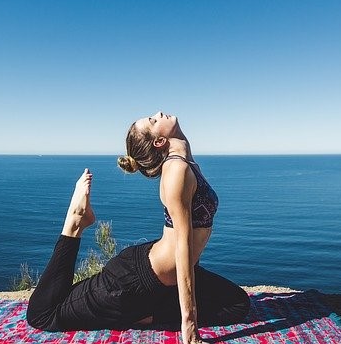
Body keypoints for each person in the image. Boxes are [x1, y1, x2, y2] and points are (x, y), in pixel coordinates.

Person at [26, 112, 249, 343]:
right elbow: (182, 248)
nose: (158, 114)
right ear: (159, 142)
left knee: (238, 304)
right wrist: (189, 327)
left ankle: (141, 313)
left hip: (162, 279)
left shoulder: (185, 162)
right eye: (153, 121)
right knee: (43, 315)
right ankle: (75, 223)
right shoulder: (176, 171)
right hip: (133, 282)